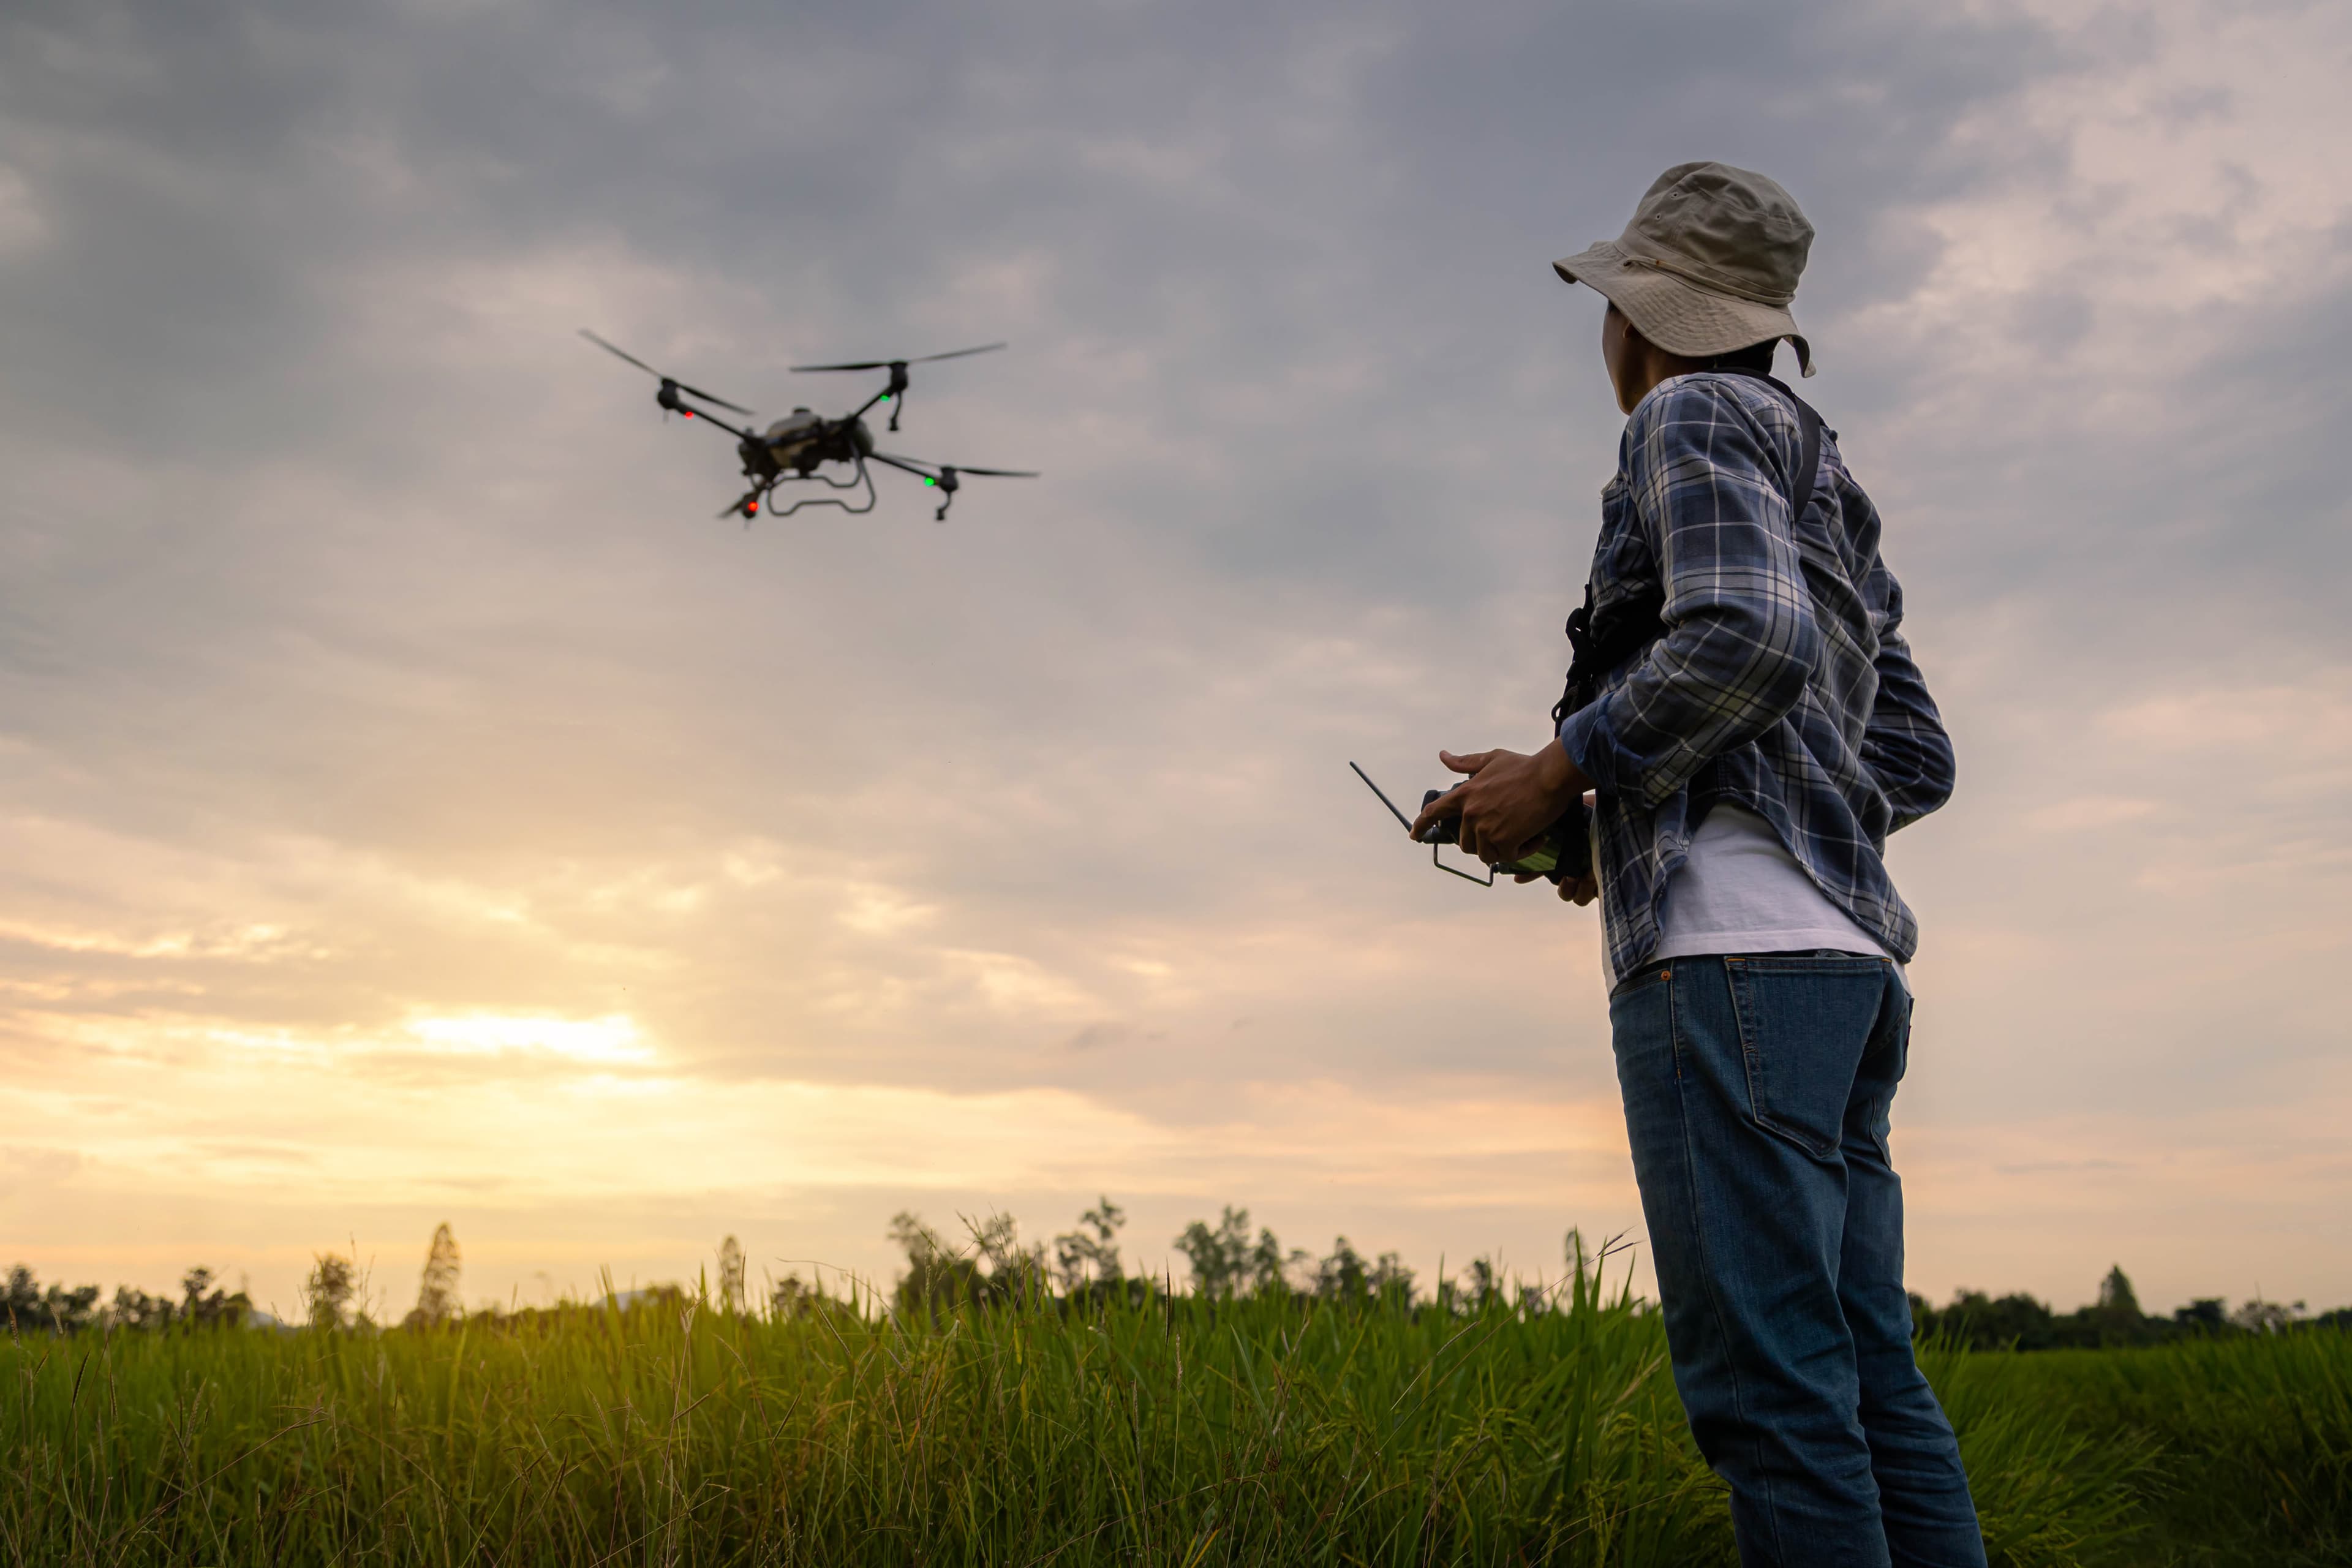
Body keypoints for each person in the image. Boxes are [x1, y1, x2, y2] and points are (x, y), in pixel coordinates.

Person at [1409, 162, 1984, 1567]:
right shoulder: (1826, 473)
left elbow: (1747, 638)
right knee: (1864, 1374)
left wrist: (1567, 768)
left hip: (1729, 966)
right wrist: (1627, 807)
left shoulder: (1685, 410)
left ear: (1637, 315)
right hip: (1844, 973)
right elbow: (1911, 753)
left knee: (1771, 1395)